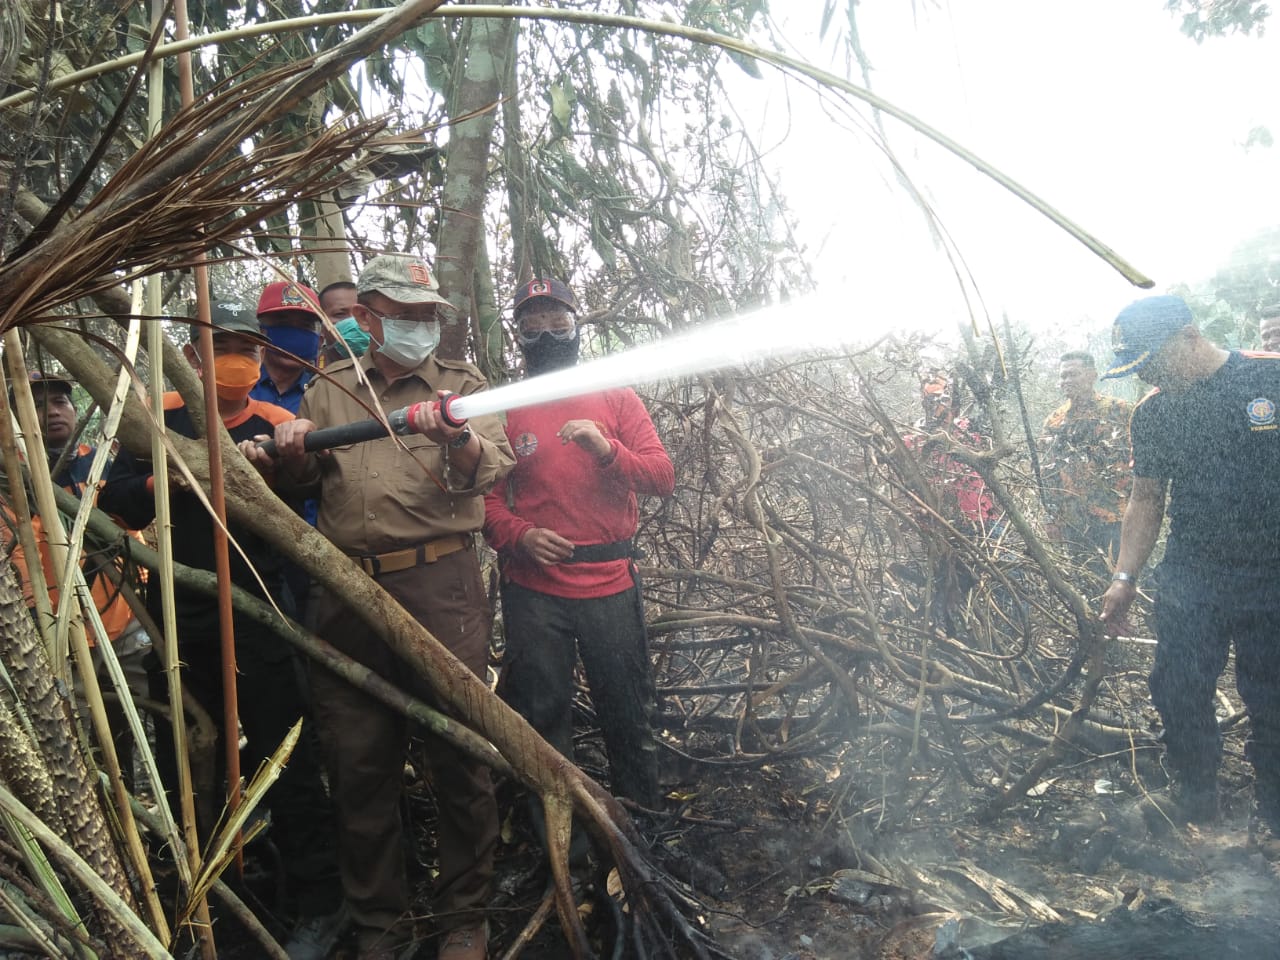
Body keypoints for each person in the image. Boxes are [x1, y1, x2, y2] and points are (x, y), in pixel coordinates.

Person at [265, 254, 515, 960]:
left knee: (461, 752)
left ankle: (464, 915)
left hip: (441, 587)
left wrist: (455, 437)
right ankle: (382, 924)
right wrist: (289, 449)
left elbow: (492, 467)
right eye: (405, 315)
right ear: (368, 318)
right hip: (346, 591)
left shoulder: (462, 386)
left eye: (428, 313)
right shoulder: (331, 388)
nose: (421, 327)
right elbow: (310, 478)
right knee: (356, 760)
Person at [98, 302, 344, 957]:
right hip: (181, 610)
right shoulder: (158, 412)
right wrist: (167, 476)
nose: (237, 359)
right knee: (191, 761)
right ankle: (204, 899)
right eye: (222, 345)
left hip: (261, 604)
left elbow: (307, 508)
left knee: (285, 754)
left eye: (248, 347)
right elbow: (113, 496)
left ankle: (319, 901)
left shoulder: (277, 420)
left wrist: (278, 476)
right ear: (192, 352)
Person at [482, 278, 673, 853]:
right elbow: (485, 498)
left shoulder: (616, 397)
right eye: (532, 323)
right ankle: (560, 847)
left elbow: (663, 477)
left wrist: (607, 451)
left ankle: (643, 839)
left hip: (611, 582)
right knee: (542, 719)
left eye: (557, 320)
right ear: (519, 334)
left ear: (577, 324)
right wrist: (518, 535)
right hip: (533, 590)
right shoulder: (504, 406)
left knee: (628, 713)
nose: (545, 333)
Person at [1099, 294, 1280, 845]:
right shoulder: (1154, 413)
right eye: (1138, 369)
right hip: (1192, 572)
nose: (1146, 376)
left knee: (1271, 695)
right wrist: (1124, 578)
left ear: (1188, 335)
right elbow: (1147, 498)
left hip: (1272, 574)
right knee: (1176, 687)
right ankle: (1198, 799)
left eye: (1151, 361)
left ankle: (1273, 814)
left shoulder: (1269, 380)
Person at [2, 372, 148, 785]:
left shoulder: (102, 460)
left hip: (125, 615)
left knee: (136, 712)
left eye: (60, 403)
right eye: (35, 406)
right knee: (79, 733)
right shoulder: (10, 479)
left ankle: (140, 800)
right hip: (59, 627)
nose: (51, 413)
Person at [1039, 351, 1132, 576]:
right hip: (1074, 522)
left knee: (1126, 580)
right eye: (1063, 376)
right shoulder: (1055, 421)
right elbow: (1048, 472)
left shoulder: (1119, 410)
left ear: (1092, 375)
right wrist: (1051, 515)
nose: (1066, 381)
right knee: (1087, 583)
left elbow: (1139, 462)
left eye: (1073, 374)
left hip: (1116, 517)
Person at [251, 280, 323, 414]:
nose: (294, 336)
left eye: (305, 326)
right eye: (282, 323)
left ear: (319, 340)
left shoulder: (325, 392)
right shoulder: (239, 384)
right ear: (260, 332)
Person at [319, 281, 369, 367]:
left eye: (361, 313)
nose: (354, 321)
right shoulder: (311, 373)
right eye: (340, 314)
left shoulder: (394, 366)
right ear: (322, 324)